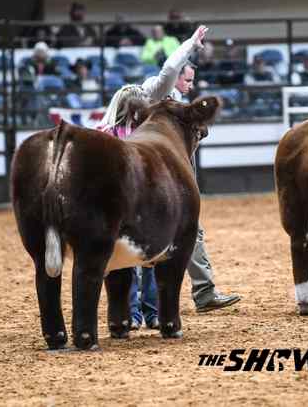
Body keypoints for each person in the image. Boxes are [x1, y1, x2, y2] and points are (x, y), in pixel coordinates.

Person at [97, 25, 241, 315]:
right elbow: (169, 70)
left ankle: (141, 314)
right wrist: (190, 44)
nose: (189, 83)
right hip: (153, 189)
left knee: (134, 257)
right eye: (187, 79)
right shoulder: (157, 101)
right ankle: (153, 312)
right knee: (152, 250)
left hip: (144, 191)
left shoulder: (108, 132)